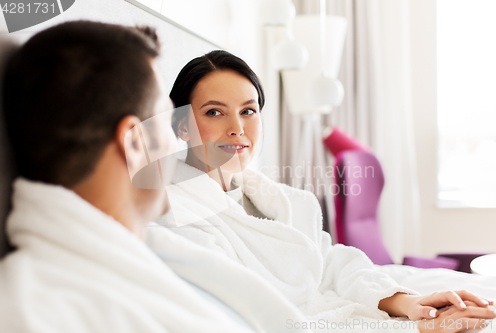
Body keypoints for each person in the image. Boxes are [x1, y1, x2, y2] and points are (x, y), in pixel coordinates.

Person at [0, 21, 314, 333]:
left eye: (249, 110)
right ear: (137, 143)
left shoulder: (153, 262)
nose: (175, 137)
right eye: (167, 118)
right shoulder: (30, 311)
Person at [148, 50, 496, 333]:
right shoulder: (177, 215)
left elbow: (330, 262)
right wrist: (410, 330)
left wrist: (407, 303)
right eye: (214, 112)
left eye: (248, 111)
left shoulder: (278, 201)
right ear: (182, 126)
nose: (237, 129)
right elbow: (255, 317)